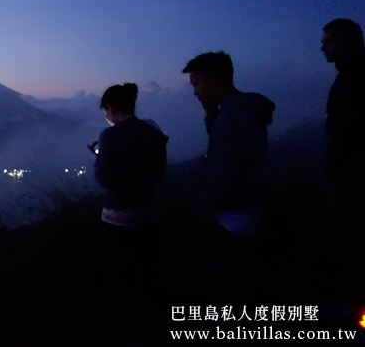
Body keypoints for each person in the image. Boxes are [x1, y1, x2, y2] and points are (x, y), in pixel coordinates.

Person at [182, 51, 275, 300]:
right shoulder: (240, 109)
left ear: (214, 79)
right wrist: (212, 114)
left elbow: (223, 172)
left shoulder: (232, 118)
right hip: (246, 208)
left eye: (197, 83)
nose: (195, 91)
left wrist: (201, 207)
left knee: (225, 286)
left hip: (229, 217)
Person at [93, 83, 168, 343]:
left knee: (119, 273)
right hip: (147, 213)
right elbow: (159, 172)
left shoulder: (108, 136)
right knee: (148, 270)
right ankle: (152, 321)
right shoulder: (153, 131)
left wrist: (99, 156)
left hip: (117, 217)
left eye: (105, 110)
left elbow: (105, 179)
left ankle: (122, 325)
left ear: (110, 108)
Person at [320, 18, 365, 300]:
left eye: (330, 41)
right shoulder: (347, 76)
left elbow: (346, 133)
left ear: (350, 41)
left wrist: (333, 174)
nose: (322, 47)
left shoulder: (353, 79)